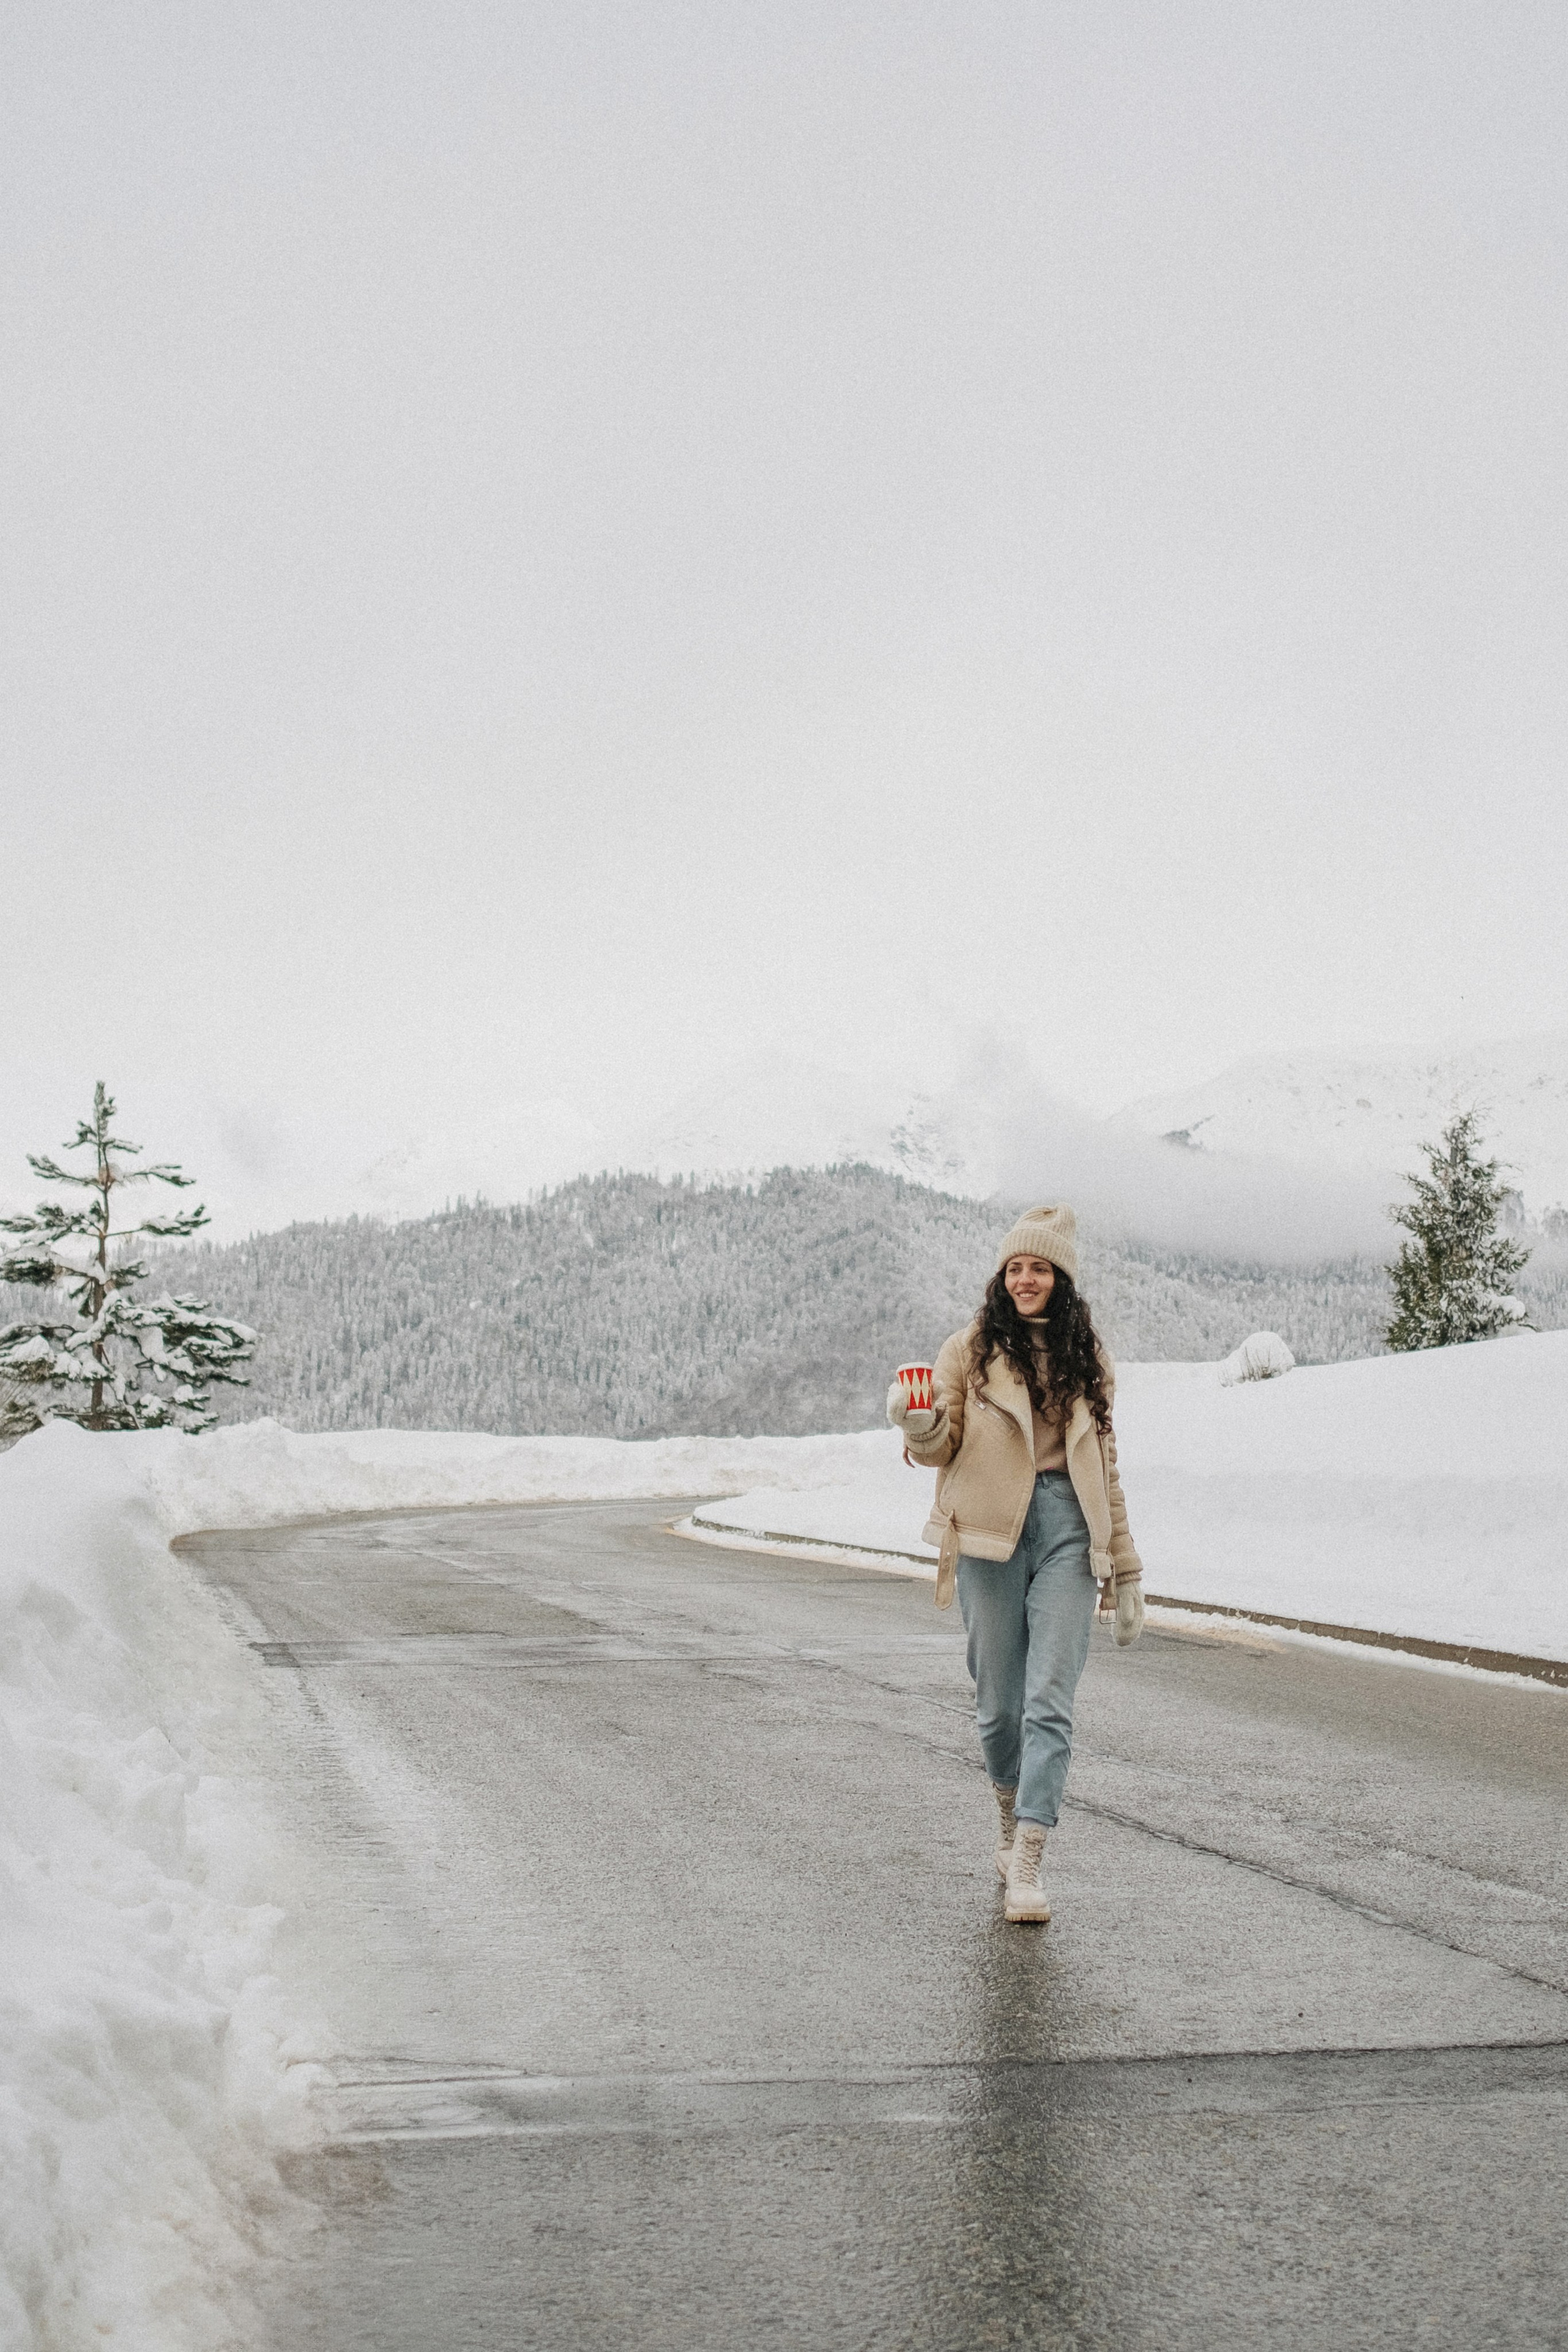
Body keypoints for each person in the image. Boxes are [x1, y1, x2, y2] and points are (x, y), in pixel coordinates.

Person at [887, 1205, 1144, 1924]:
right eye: (1015, 1267)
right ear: (1003, 1277)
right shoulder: (969, 1350)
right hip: (987, 1534)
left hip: (1069, 1530)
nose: (1025, 1278)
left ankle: (1028, 1854)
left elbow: (1107, 1467)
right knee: (999, 1708)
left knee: (1049, 1702)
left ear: (1061, 1278)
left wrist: (1124, 1565)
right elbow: (940, 1447)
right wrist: (919, 1425)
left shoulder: (1089, 1358)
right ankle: (1006, 1819)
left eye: (1039, 1267)